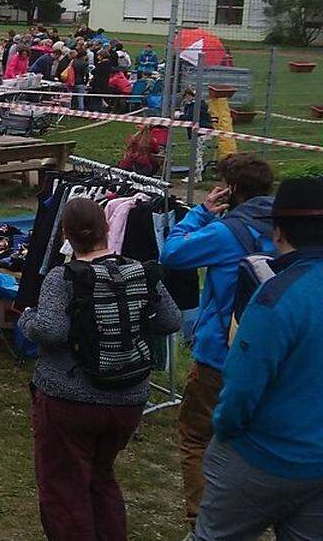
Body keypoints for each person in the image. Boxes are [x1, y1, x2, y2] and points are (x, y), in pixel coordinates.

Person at [18, 198, 181, 541]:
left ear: (65, 234)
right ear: (107, 229)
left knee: (65, 487)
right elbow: (171, 320)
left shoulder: (63, 278)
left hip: (70, 398)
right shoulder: (139, 271)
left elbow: (51, 329)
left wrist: (27, 319)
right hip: (127, 400)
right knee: (101, 477)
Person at [194, 177, 323, 541]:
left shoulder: (276, 296)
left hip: (263, 455)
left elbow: (241, 388)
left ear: (279, 232)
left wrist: (226, 429)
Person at [160, 153, 275, 527]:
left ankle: (202, 521)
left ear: (233, 189)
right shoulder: (284, 228)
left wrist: (200, 212)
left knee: (196, 437)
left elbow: (173, 253)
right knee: (251, 438)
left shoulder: (228, 233)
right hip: (273, 354)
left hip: (220, 356)